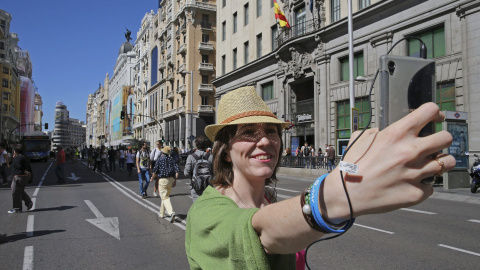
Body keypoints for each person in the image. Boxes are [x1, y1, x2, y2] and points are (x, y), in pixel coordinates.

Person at [185, 86, 455, 269]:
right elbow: (259, 232)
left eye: (271, 131)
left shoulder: (269, 199)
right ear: (226, 152)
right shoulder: (204, 213)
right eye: (248, 133)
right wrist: (340, 193)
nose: (265, 140)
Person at [151, 146, 180, 222]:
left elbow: (155, 171)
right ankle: (162, 213)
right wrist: (175, 180)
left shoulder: (159, 159)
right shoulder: (172, 159)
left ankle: (171, 212)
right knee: (165, 196)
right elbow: (177, 170)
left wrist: (152, 178)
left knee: (164, 197)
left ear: (162, 152)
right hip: (170, 179)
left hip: (163, 180)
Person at [184, 136, 213, 202]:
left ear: (196, 145)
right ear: (206, 145)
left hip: (196, 186)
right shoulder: (211, 157)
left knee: (197, 205)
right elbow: (215, 171)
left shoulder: (191, 157)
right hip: (208, 185)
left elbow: (186, 173)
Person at [8, 147, 33, 213]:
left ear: (16, 152)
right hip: (24, 177)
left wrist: (24, 171)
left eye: (14, 152)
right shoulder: (25, 157)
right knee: (19, 190)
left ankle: (17, 209)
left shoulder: (18, 158)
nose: (13, 154)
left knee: (15, 192)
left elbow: (19, 166)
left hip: (19, 177)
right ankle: (28, 202)